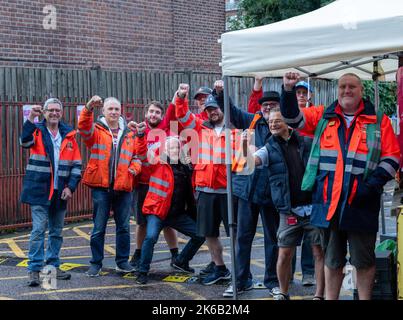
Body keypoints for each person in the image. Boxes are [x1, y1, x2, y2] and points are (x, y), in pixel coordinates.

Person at [280, 72, 400, 300]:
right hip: (329, 203)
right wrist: (287, 90)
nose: (347, 90)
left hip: (362, 202)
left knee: (363, 261)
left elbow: (392, 156)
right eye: (343, 86)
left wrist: (372, 186)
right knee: (332, 260)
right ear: (337, 90)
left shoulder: (378, 119)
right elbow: (292, 119)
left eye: (352, 86)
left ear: (361, 91)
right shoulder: (324, 116)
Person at [247, 108, 325, 300]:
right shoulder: (268, 148)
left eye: (277, 121)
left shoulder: (306, 142)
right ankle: (283, 292)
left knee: (318, 252)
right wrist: (243, 146)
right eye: (270, 121)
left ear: (287, 123)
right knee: (284, 254)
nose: (272, 124)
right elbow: (251, 163)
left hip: (313, 208)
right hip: (288, 211)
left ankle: (319, 295)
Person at [216, 81, 280, 297]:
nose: (268, 108)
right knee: (243, 237)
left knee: (273, 239)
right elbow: (231, 111)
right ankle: (241, 280)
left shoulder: (282, 126)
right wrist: (220, 93)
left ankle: (273, 281)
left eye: (272, 104)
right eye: (265, 105)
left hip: (271, 192)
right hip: (247, 190)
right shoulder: (251, 121)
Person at [78, 95, 144, 276]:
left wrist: (134, 169)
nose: (114, 112)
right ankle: (95, 263)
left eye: (116, 109)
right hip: (101, 187)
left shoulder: (130, 133)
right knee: (99, 228)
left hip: (123, 187)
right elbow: (83, 127)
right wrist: (88, 107)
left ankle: (122, 262)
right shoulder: (96, 131)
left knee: (123, 227)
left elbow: (137, 156)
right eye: (110, 109)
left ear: (120, 111)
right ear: (103, 112)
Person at [20, 98, 82, 286]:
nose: (54, 113)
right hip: (40, 190)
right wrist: (30, 118)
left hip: (60, 192)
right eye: (50, 110)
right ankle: (34, 269)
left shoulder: (69, 135)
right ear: (44, 113)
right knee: (39, 230)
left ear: (61, 113)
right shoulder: (36, 131)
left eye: (57, 110)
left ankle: (52, 267)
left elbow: (77, 165)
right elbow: (24, 142)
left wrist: (70, 187)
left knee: (56, 232)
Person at [175, 83, 232, 285]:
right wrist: (181, 97)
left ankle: (242, 272)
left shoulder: (234, 129)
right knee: (209, 233)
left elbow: (244, 161)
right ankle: (220, 268)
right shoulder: (199, 128)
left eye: (215, 108)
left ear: (223, 108)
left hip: (229, 191)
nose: (212, 112)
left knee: (236, 233)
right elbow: (182, 115)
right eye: (208, 110)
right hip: (205, 190)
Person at [135, 136, 205, 284]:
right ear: (165, 149)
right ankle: (142, 271)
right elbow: (142, 153)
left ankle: (181, 261)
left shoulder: (185, 167)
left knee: (200, 235)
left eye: (178, 147)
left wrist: (190, 168)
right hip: (158, 212)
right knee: (151, 237)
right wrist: (141, 137)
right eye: (172, 147)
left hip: (177, 214)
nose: (175, 150)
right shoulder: (157, 162)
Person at [129, 100, 179, 270]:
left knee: (167, 223)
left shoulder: (166, 131)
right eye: (151, 111)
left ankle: (175, 255)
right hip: (142, 184)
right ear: (146, 114)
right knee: (141, 222)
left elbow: (174, 111)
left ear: (161, 116)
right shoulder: (137, 131)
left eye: (157, 112)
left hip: (161, 185)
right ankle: (137, 253)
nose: (154, 115)